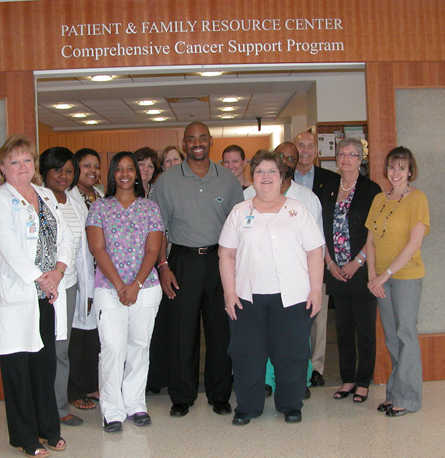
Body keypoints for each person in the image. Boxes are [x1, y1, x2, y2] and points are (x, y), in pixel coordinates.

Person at [219, 150, 324, 426]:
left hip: (292, 297)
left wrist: (315, 291)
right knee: (246, 353)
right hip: (246, 297)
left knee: (291, 353)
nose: (266, 177)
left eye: (272, 172)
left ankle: (290, 403)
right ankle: (247, 406)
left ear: (281, 177)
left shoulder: (297, 211)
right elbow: (226, 254)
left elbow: (315, 252)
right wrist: (229, 293)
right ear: (252, 178)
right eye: (260, 172)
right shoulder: (240, 212)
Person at [0, 135, 73, 457]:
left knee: (44, 366)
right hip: (18, 297)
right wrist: (41, 279)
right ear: (2, 167)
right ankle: (26, 438)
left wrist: (59, 272)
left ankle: (49, 429)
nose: (23, 166)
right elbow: (9, 249)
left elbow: (65, 237)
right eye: (15, 161)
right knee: (18, 370)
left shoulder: (46, 194)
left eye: (27, 160)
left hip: (45, 296)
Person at [151, 122, 243, 418]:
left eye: (202, 138)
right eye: (191, 139)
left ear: (211, 141)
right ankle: (182, 396)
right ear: (184, 143)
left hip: (220, 261)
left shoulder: (227, 179)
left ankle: (219, 395)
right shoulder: (167, 181)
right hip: (182, 261)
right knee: (182, 332)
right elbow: (157, 228)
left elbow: (239, 226)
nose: (197, 143)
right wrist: (163, 266)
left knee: (221, 331)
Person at [86, 152, 164, 432]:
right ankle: (113, 410)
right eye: (119, 169)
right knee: (112, 348)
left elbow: (153, 250)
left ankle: (135, 404)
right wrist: (121, 286)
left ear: (138, 174)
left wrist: (136, 285)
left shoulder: (150, 208)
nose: (125, 173)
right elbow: (98, 249)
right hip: (109, 289)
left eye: (130, 168)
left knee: (139, 348)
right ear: (112, 174)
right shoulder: (100, 208)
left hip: (145, 288)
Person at [244, 142, 322, 400]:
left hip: (295, 281)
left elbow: (315, 246)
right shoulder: (246, 197)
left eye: (291, 158)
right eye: (282, 157)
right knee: (264, 336)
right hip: (259, 282)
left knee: (296, 340)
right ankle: (266, 381)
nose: (286, 161)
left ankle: (299, 382)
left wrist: (315, 287)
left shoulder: (306, 199)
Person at [365, 146, 429, 417]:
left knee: (406, 335)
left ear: (410, 171)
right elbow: (370, 241)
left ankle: (409, 398)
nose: (396, 172)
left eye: (402, 167)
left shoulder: (418, 199)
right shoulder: (379, 199)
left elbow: (414, 243)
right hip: (380, 280)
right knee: (392, 337)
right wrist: (372, 276)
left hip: (404, 277)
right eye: (392, 167)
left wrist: (385, 274)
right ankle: (394, 394)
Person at [320, 138, 381, 402]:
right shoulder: (328, 188)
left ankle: (364, 380)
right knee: (342, 327)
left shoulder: (371, 189)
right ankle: (348, 378)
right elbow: (319, 230)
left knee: (364, 328)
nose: (346, 159)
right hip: (335, 271)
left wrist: (358, 262)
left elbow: (374, 231)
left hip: (361, 269)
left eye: (352, 154)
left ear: (360, 159)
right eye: (342, 154)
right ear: (336, 159)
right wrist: (330, 263)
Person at [40, 147, 96, 425]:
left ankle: (59, 406)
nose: (63, 176)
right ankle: (49, 406)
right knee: (46, 348)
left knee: (62, 347)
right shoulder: (38, 199)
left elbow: (84, 252)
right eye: (57, 170)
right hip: (44, 286)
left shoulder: (75, 201)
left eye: (69, 171)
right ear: (45, 171)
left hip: (71, 284)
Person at [294, 131, 341, 387]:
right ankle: (295, 363)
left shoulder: (331, 180)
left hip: (318, 257)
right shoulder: (282, 176)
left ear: (317, 150)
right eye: (300, 145)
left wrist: (329, 260)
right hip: (290, 258)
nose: (305, 150)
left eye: (310, 146)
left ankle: (317, 367)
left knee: (318, 317)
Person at [67, 147, 102, 409]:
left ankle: (91, 386)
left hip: (101, 274)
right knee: (78, 336)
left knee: (96, 336)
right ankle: (75, 391)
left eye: (96, 166)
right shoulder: (68, 198)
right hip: (80, 273)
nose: (92, 171)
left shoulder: (100, 196)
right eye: (87, 165)